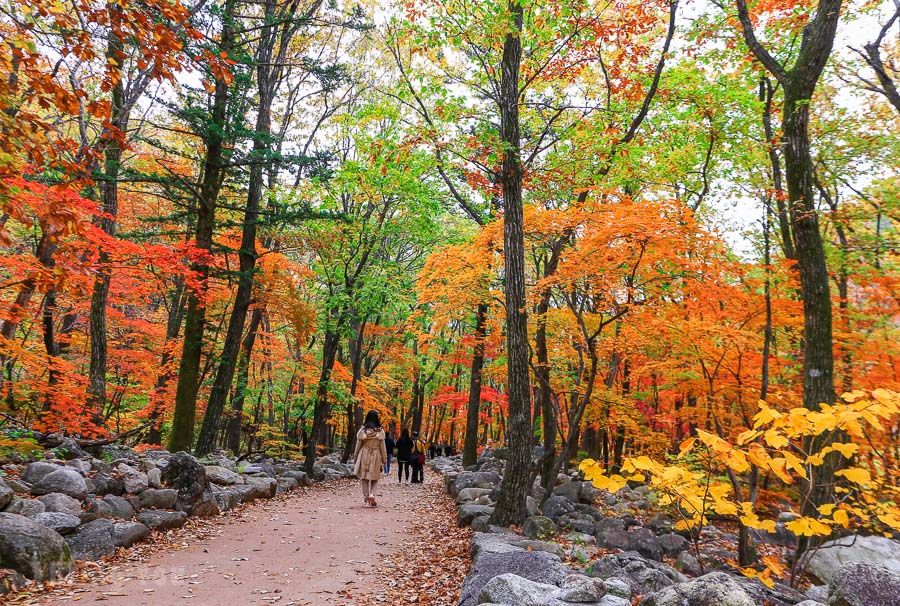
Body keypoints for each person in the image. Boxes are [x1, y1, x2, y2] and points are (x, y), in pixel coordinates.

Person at [353, 410, 387, 507]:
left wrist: (355, 457)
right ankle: (372, 494)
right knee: (375, 477)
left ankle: (366, 497)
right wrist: (384, 459)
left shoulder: (363, 430)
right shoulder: (380, 431)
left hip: (364, 454)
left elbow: (358, 445)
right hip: (376, 455)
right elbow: (383, 447)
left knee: (364, 477)